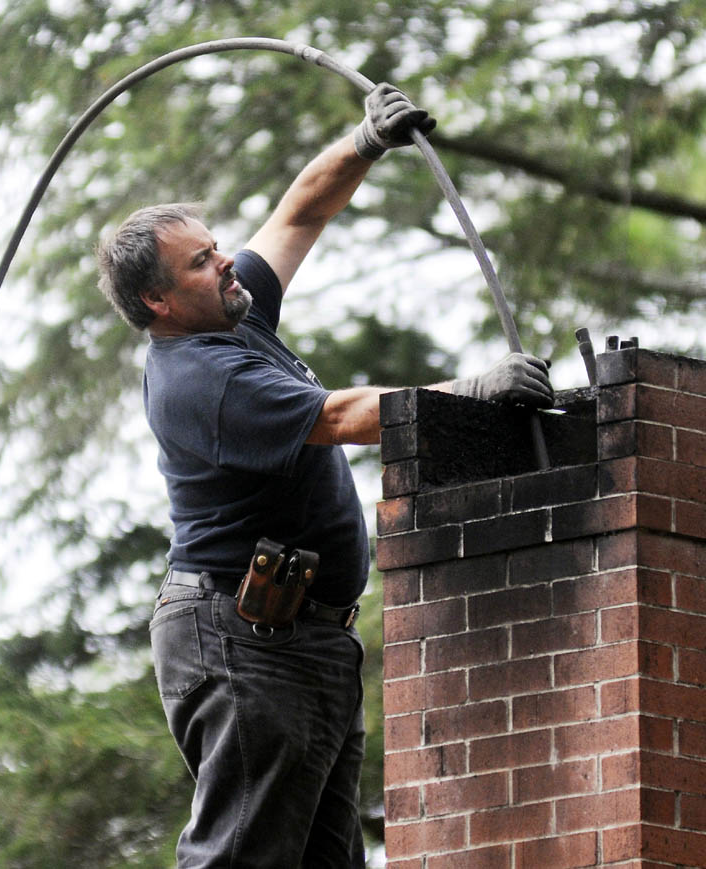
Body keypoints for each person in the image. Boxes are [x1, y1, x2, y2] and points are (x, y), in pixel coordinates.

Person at [96, 83, 553, 868]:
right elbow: (339, 416)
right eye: (202, 262)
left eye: (217, 244)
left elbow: (299, 215)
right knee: (241, 855)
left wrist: (364, 142)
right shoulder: (198, 377)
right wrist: (472, 391)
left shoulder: (235, 314)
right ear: (157, 299)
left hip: (301, 638)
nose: (226, 260)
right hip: (244, 639)